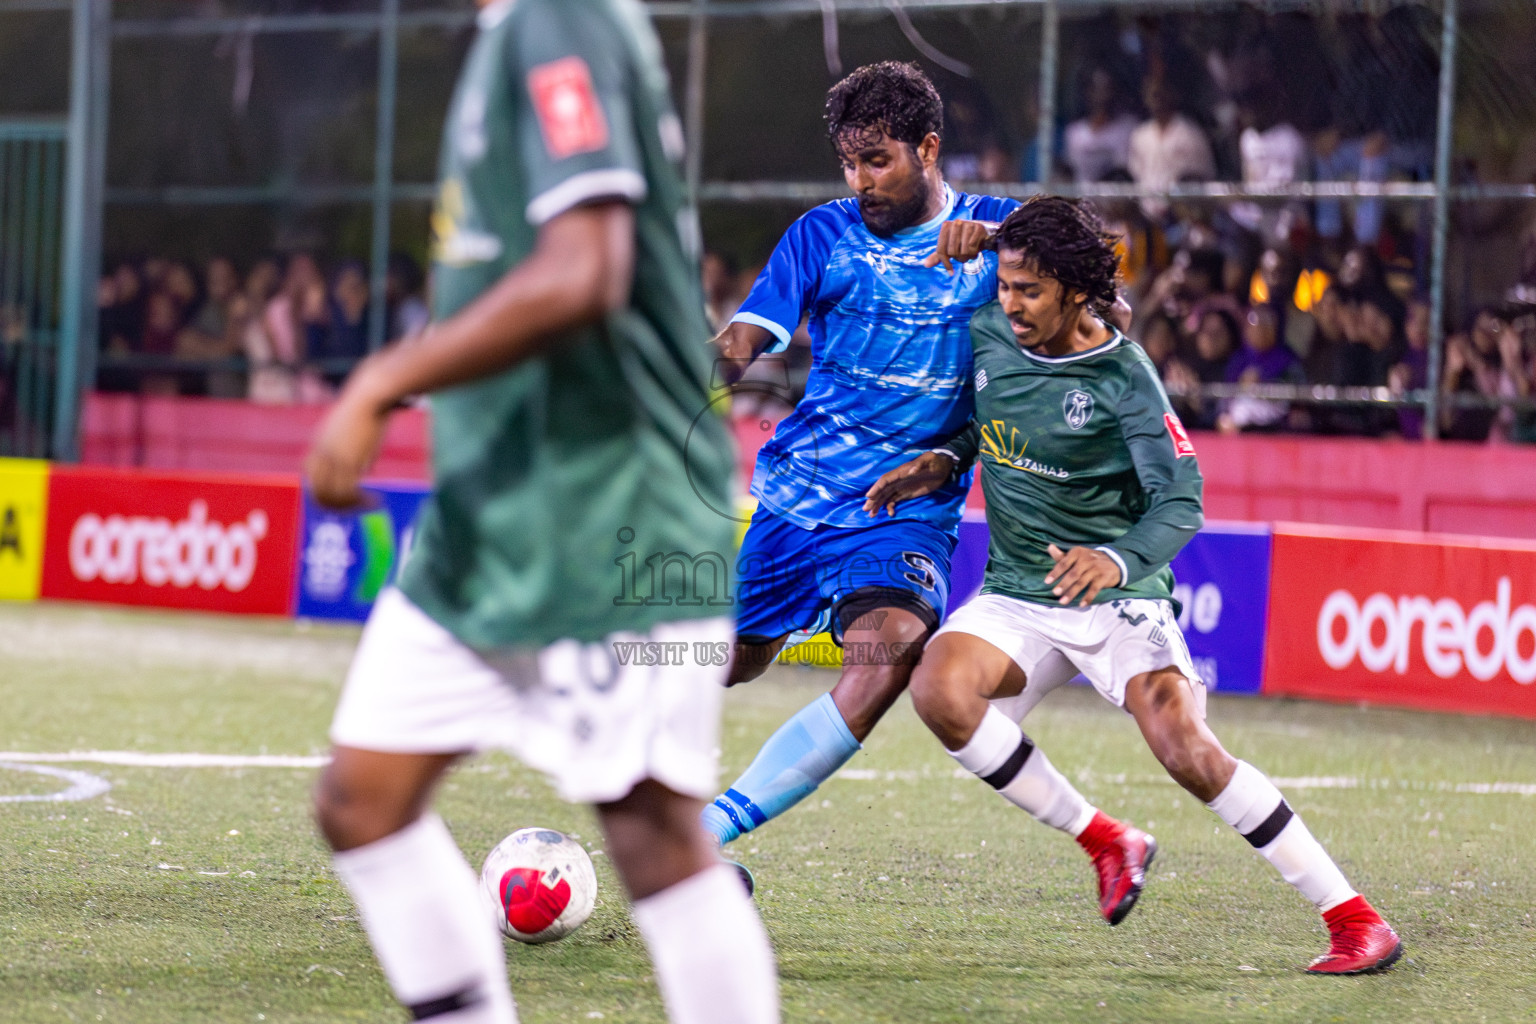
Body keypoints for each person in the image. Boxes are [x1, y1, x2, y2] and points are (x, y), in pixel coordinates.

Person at [304, 2, 779, 1022]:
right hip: (491, 520)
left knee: (653, 831)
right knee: (361, 799)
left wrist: (381, 380)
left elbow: (584, 270)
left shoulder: (561, 17)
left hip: (607, 508)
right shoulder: (515, 34)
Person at [866, 196, 1402, 975]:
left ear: (1076, 294)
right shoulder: (987, 328)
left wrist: (1116, 561)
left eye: (1029, 291)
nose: (1009, 304)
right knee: (939, 692)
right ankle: (1106, 839)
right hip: (1020, 590)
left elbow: (1182, 501)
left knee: (1187, 749)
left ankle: (1356, 920)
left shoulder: (1124, 379)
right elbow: (974, 417)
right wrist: (943, 461)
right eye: (1005, 286)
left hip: (1119, 595)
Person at [706, 61, 1150, 926]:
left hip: (907, 506)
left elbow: (1114, 320)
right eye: (849, 163)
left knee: (893, 648)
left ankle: (703, 834)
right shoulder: (821, 233)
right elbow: (750, 331)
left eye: (877, 161)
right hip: (798, 497)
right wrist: (709, 355)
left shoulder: (1003, 228)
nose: (860, 182)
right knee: (726, 661)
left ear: (929, 148)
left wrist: (997, 249)